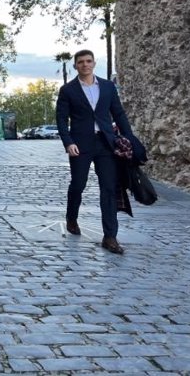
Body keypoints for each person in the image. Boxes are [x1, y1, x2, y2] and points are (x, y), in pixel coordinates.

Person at [56, 49, 133, 254]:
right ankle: (71, 217)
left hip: (106, 144)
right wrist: (68, 142)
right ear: (75, 66)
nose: (85, 65)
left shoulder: (107, 87)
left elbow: (118, 113)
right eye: (80, 62)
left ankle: (110, 237)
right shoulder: (68, 90)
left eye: (88, 61)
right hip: (80, 145)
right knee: (78, 185)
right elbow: (62, 120)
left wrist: (129, 136)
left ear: (94, 63)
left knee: (108, 188)